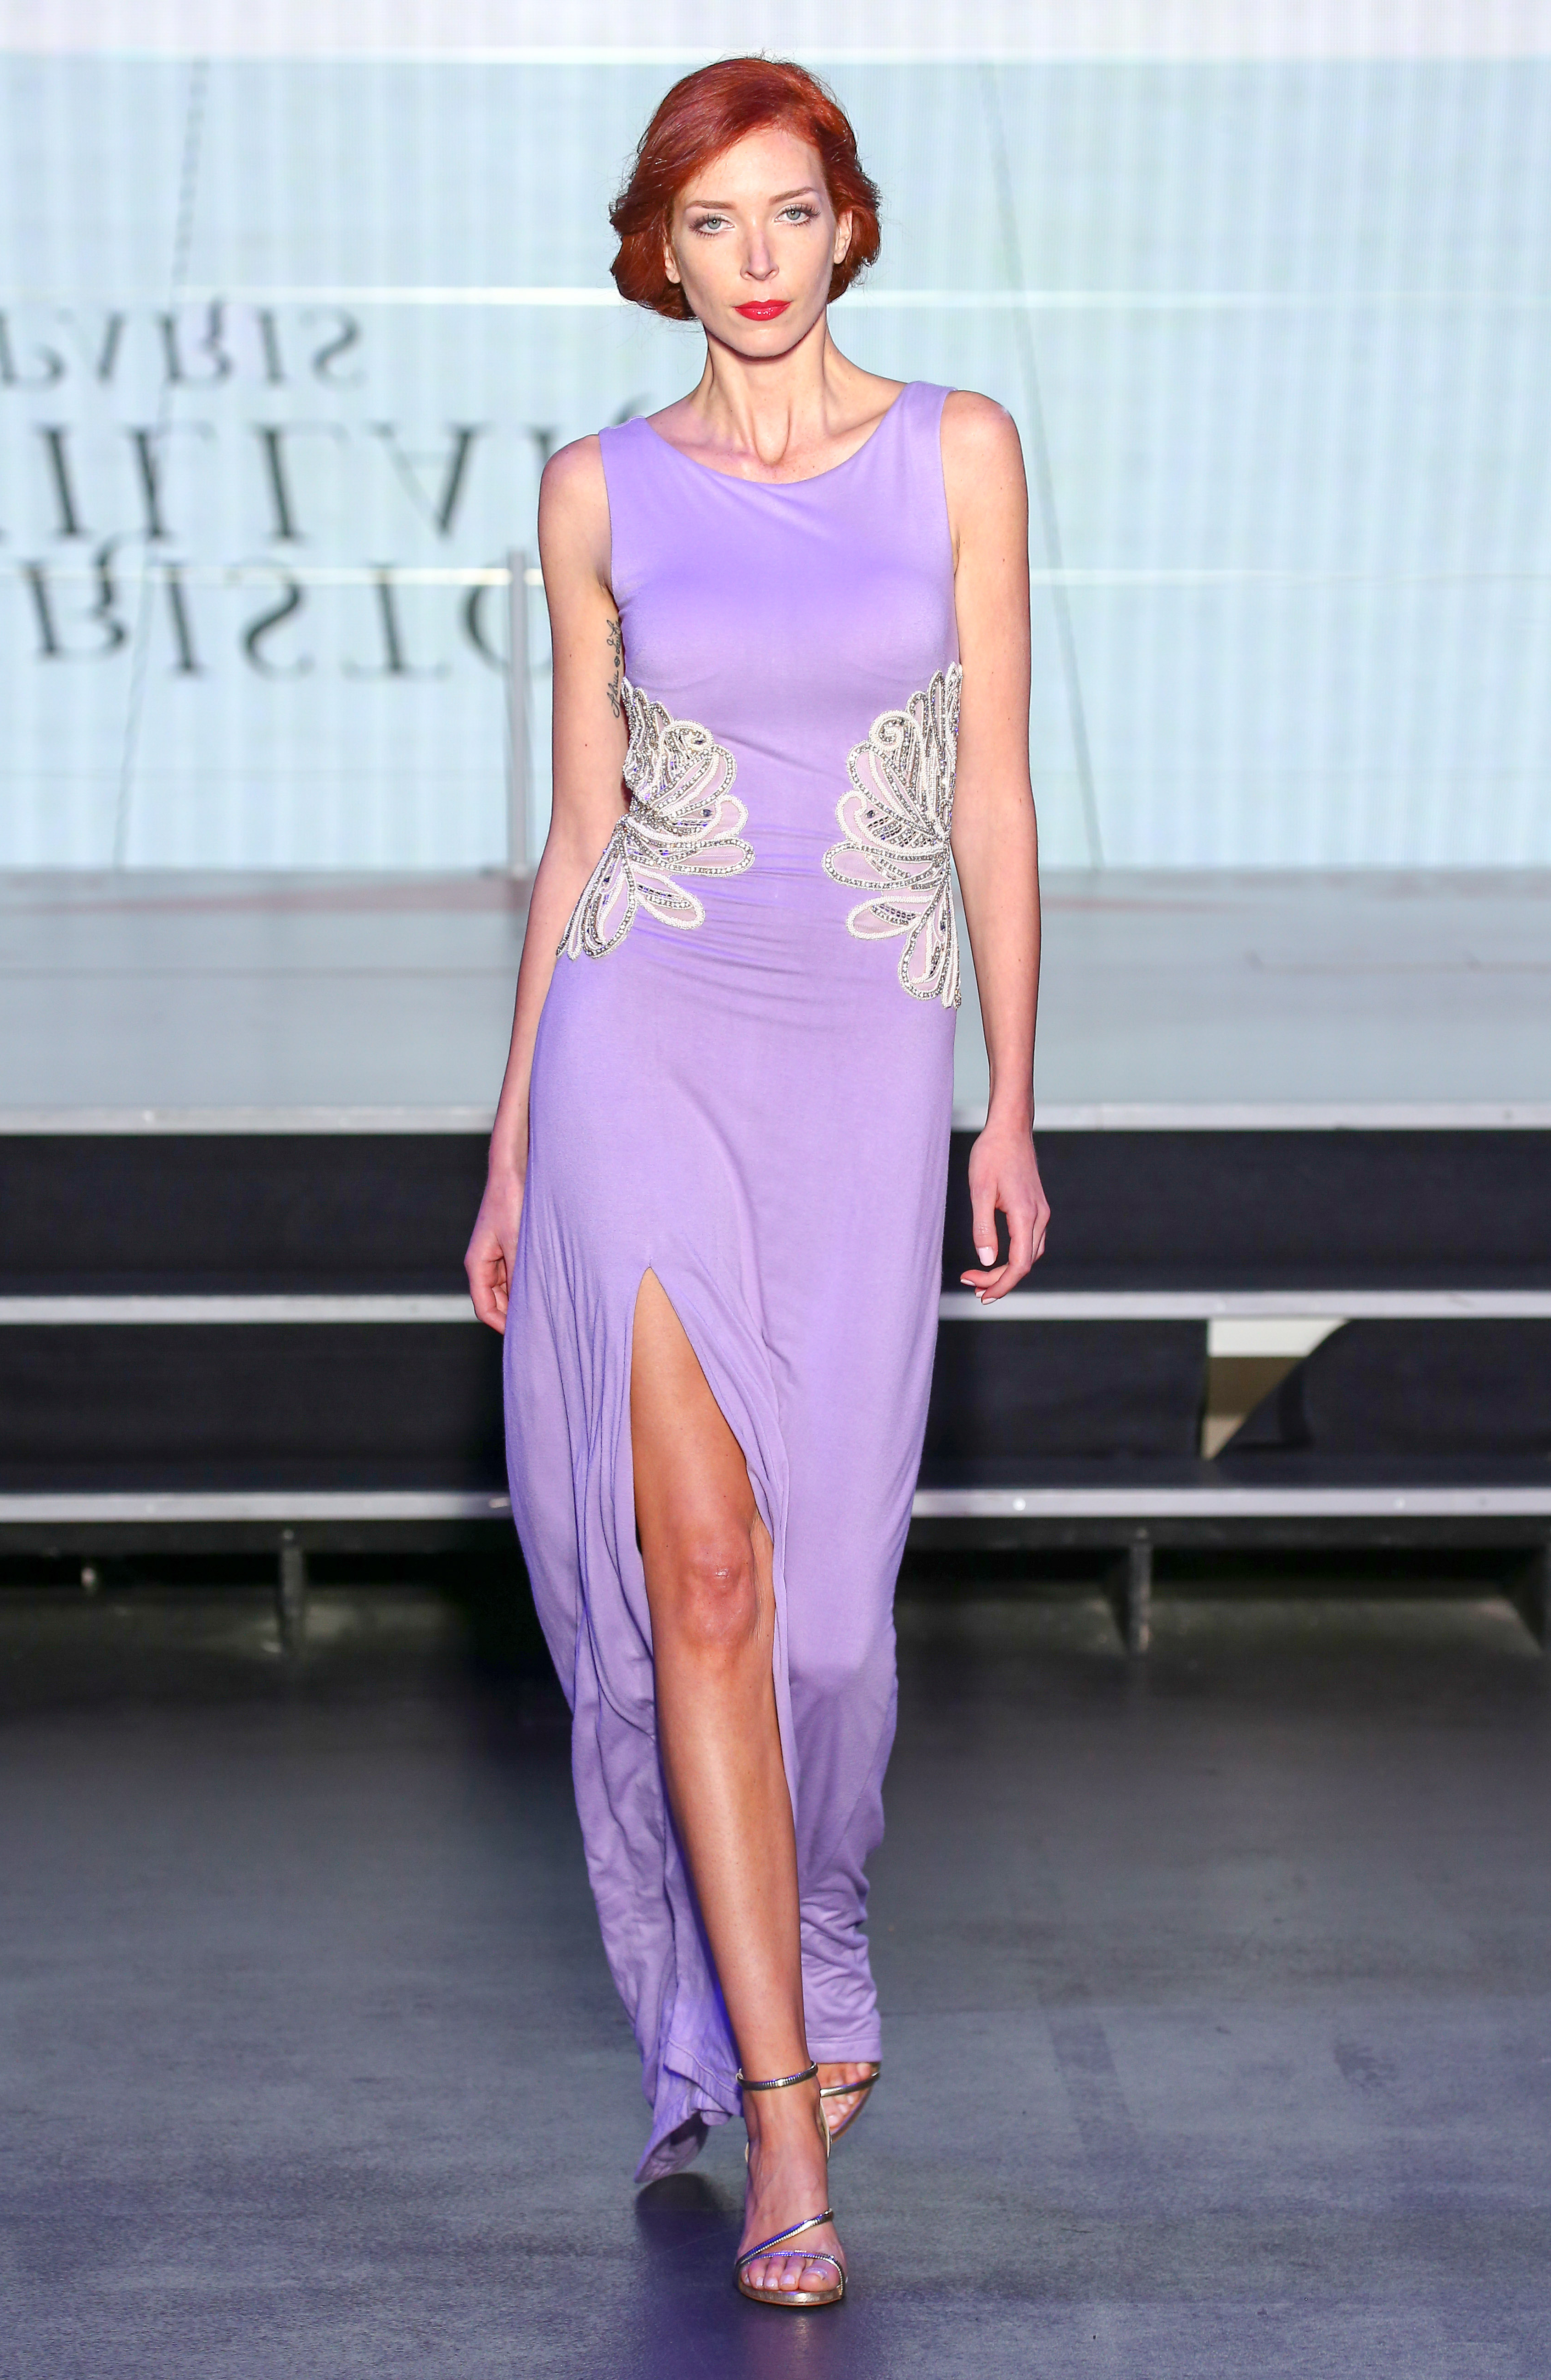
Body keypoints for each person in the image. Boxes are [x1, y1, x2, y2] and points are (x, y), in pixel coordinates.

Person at [465, 54, 1047, 2310]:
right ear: (661, 254)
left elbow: (992, 801)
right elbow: (580, 832)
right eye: (712, 223)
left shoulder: (961, 448)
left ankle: (813, 1922)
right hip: (646, 1035)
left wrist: (1014, 1102)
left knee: (823, 1633)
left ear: (848, 224)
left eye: (791, 211)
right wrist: (516, 1137)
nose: (759, 258)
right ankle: (782, 2121)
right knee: (701, 1582)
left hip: (871, 1047)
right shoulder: (597, 488)